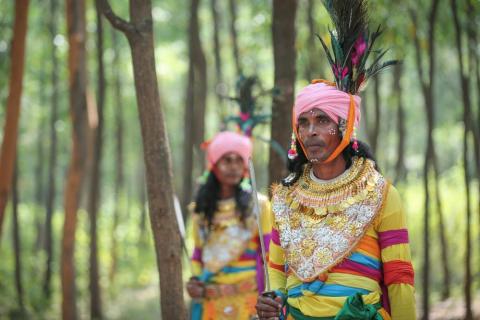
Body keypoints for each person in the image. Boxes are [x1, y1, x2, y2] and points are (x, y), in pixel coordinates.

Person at [255, 1, 416, 319]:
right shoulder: (286, 198)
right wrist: (272, 302)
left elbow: (399, 278)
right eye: (304, 122)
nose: (311, 131)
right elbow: (277, 271)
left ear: (345, 127)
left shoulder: (382, 195)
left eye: (323, 120)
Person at [186, 131, 272, 320]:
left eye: (238, 160)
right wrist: (195, 281)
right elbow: (198, 254)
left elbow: (269, 253)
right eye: (226, 160)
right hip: (212, 303)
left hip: (249, 302)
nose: (233, 166)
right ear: (214, 165)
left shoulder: (259, 206)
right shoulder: (200, 211)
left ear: (245, 166)